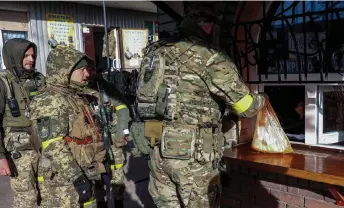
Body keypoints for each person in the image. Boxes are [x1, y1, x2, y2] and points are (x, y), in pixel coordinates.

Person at [134, 3, 267, 208]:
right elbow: (246, 107)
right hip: (193, 158)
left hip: (157, 148)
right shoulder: (209, 55)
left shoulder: (154, 51)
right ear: (207, 26)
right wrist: (263, 99)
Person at [29, 46, 129, 207]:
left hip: (85, 173)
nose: (87, 74)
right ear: (64, 70)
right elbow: (53, 145)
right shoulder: (49, 100)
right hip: (65, 183)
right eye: (82, 70)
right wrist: (77, 178)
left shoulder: (76, 94)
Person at [0, 38, 45, 208]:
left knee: (48, 194)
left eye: (33, 55)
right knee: (26, 199)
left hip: (43, 146)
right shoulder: (3, 82)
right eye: (25, 55)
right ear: (14, 56)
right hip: (19, 152)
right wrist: (0, 157)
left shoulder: (39, 79)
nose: (31, 60)